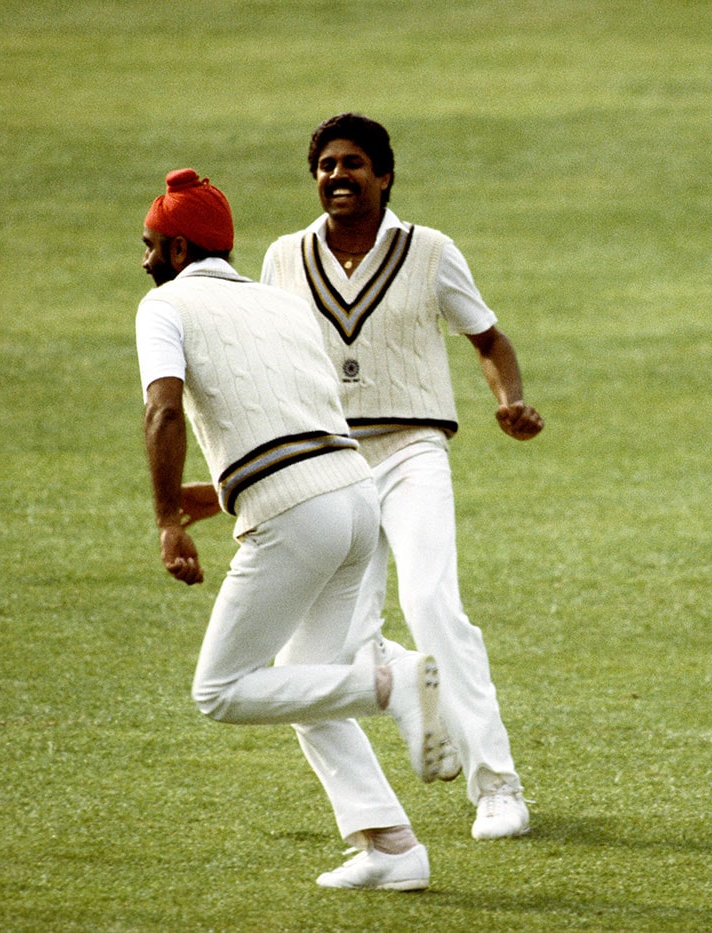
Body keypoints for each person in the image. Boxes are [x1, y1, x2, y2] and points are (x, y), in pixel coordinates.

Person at [136, 168, 455, 891]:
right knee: (307, 682)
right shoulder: (280, 303)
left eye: (151, 245)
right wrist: (216, 495)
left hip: (295, 511)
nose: (145, 260)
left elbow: (163, 409)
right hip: (355, 497)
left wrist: (167, 520)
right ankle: (392, 846)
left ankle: (392, 683)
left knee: (221, 690)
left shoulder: (164, 306)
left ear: (179, 249)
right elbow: (290, 419)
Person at [262, 113, 543, 841]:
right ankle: (409, 694)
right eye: (326, 165)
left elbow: (489, 339)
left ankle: (498, 787)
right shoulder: (283, 258)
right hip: (326, 464)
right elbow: (264, 366)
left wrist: (508, 401)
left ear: (384, 176)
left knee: (431, 602)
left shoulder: (431, 251)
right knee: (327, 650)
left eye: (353, 163)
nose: (338, 176)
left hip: (412, 451)